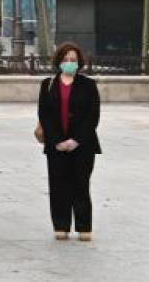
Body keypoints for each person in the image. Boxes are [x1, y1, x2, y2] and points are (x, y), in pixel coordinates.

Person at [38, 42, 100, 241]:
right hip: (56, 145)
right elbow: (44, 115)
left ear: (79, 62)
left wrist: (76, 140)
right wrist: (56, 140)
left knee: (81, 184)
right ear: (59, 61)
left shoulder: (88, 85)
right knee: (58, 185)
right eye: (65, 59)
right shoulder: (48, 84)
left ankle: (84, 227)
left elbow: (92, 116)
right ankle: (61, 225)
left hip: (83, 145)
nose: (69, 62)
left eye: (73, 59)